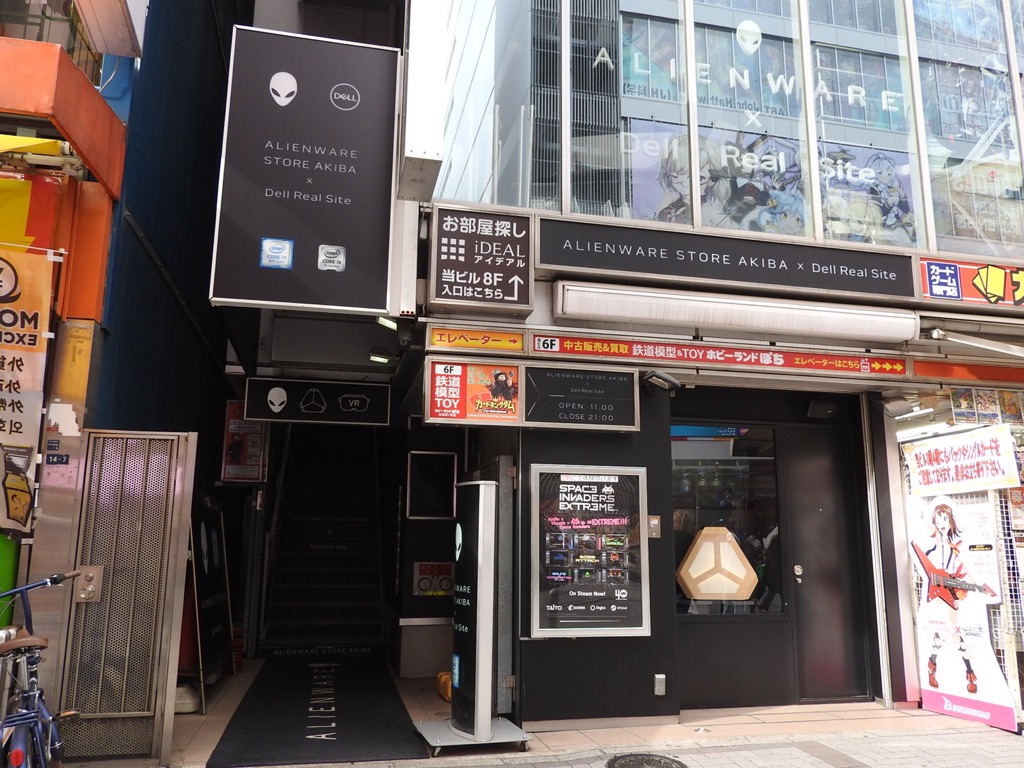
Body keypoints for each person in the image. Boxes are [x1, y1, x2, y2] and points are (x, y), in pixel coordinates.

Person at [912, 497, 995, 694]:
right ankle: (968, 672)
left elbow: (966, 565)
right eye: (938, 519)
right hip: (937, 587)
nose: (942, 523)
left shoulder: (955, 545)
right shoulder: (935, 538)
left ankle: (935, 665)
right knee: (947, 629)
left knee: (949, 630)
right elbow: (926, 528)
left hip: (951, 588)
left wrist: (979, 583)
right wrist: (920, 514)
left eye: (945, 519)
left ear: (951, 521)